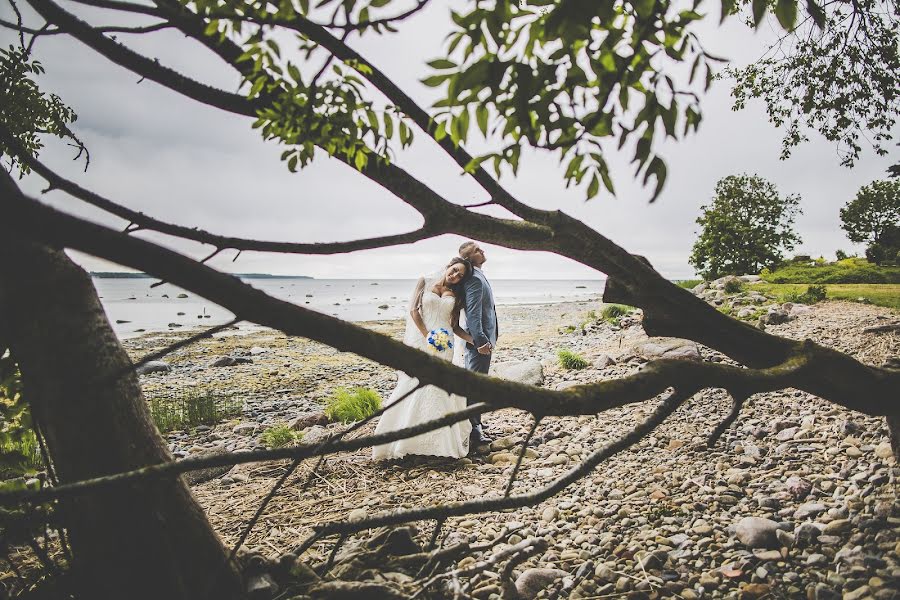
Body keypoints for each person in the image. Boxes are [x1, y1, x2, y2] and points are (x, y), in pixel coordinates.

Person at [372, 258, 474, 460]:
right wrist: (428, 335)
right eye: (454, 270)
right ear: (448, 266)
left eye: (459, 275)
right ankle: (404, 440)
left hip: (445, 345)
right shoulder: (424, 281)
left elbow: (453, 326)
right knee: (414, 383)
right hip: (422, 339)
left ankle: (439, 444)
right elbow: (413, 311)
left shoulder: (456, 294)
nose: (454, 276)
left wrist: (473, 340)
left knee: (439, 388)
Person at [458, 241, 497, 446]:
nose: (482, 251)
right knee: (475, 386)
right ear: (469, 259)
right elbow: (472, 314)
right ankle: (474, 431)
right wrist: (480, 341)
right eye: (476, 250)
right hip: (479, 344)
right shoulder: (473, 278)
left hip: (484, 340)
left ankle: (475, 422)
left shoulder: (479, 274)